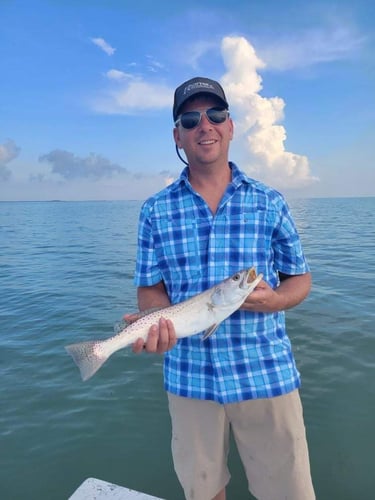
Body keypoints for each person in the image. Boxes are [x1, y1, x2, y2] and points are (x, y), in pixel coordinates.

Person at [130, 77, 315, 500]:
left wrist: (276, 300)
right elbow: (150, 294)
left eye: (216, 115)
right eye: (191, 119)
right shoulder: (154, 211)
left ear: (231, 127)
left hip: (266, 374)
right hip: (190, 379)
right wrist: (157, 326)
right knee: (204, 492)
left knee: (289, 493)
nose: (205, 125)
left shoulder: (270, 201)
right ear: (177, 134)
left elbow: (300, 278)